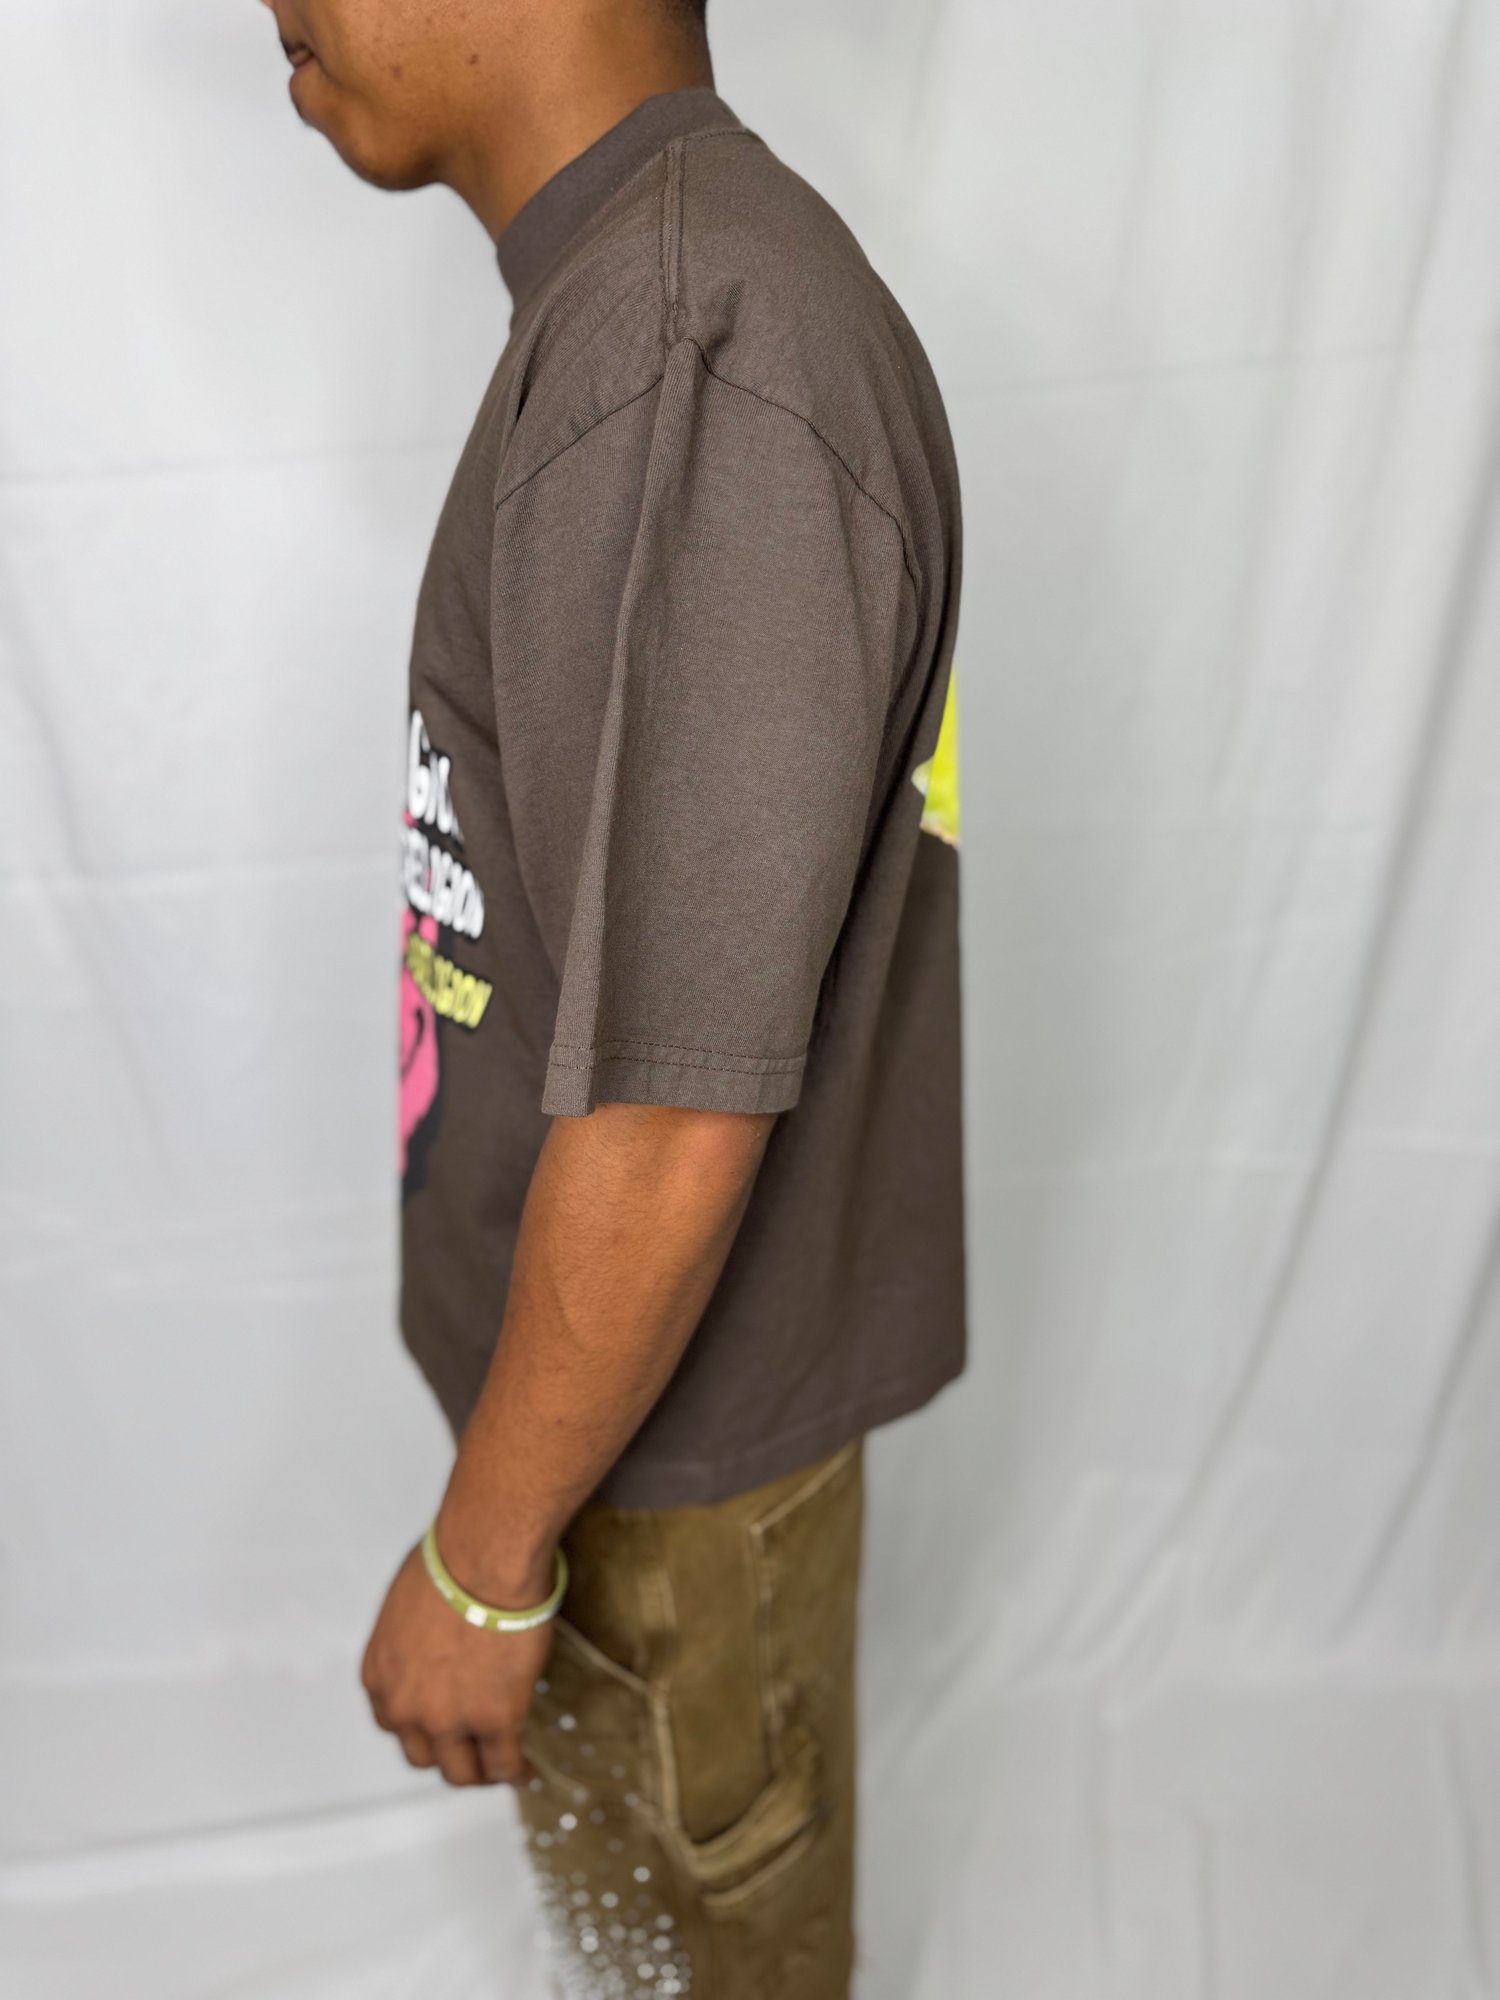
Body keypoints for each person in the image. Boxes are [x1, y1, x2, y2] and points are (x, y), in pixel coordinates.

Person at [262, 1, 965, 1992]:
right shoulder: (651, 302)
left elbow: (670, 1105)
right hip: (622, 1454)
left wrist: (484, 1564)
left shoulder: (691, 342)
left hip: (655, 1497)